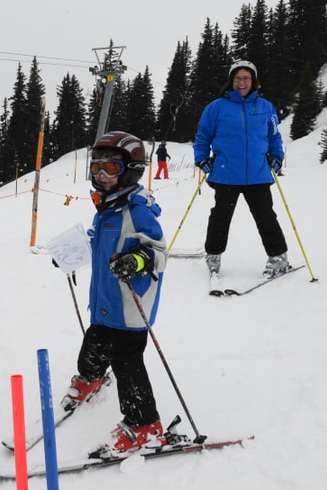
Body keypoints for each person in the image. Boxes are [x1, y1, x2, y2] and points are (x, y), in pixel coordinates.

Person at [59, 131, 171, 458]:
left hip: (131, 302)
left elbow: (159, 253)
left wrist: (138, 259)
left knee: (126, 359)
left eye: (111, 169)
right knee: (95, 337)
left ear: (131, 171)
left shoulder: (137, 211)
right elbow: (98, 240)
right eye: (97, 169)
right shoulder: (106, 208)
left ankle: (144, 424)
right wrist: (71, 252)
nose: (102, 176)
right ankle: (91, 378)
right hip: (106, 299)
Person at [193, 60, 289, 277]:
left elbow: (274, 136)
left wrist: (277, 156)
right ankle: (213, 254)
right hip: (227, 172)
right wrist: (201, 159)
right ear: (231, 81)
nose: (241, 82)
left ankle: (278, 256)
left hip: (258, 173)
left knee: (265, 216)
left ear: (253, 81)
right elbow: (202, 137)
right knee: (220, 216)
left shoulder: (265, 107)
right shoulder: (216, 107)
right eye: (238, 78)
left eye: (246, 78)